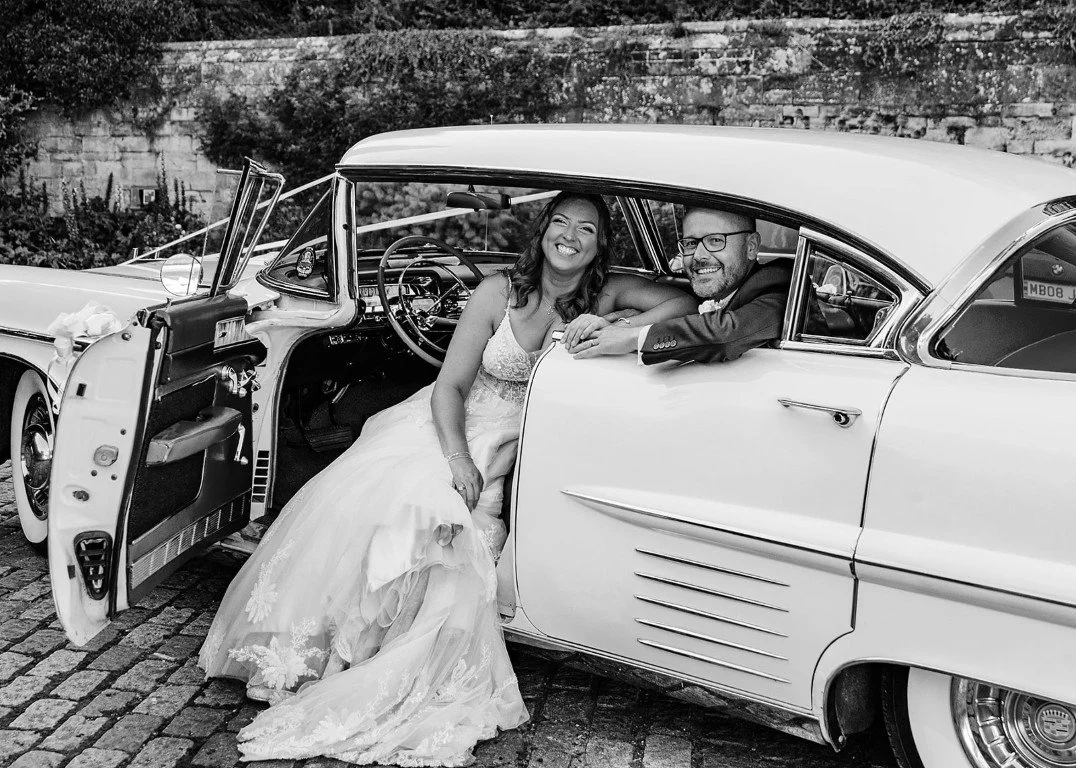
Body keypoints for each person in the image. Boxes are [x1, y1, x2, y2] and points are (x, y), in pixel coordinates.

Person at [198, 191, 696, 766]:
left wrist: (609, 325)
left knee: (450, 526)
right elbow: (449, 387)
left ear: (600, 244)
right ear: (541, 232)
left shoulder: (608, 293)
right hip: (455, 423)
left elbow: (684, 300)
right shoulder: (496, 292)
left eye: (586, 229)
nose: (571, 235)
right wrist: (457, 457)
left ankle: (388, 651)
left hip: (528, 434)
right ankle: (342, 649)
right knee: (390, 494)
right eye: (560, 222)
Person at [564, 207, 793, 363]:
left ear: (751, 246)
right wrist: (620, 323)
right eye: (691, 243)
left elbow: (726, 335)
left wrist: (634, 337)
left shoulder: (779, 284)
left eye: (715, 240)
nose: (699, 256)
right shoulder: (720, 290)